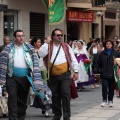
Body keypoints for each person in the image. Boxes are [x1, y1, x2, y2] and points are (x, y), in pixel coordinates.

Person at [0, 29, 45, 120]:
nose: (21, 38)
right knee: (12, 97)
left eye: (22, 36)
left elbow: (35, 63)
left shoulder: (29, 48)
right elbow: (3, 63)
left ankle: (21, 117)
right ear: (14, 38)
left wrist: (36, 78)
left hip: (25, 78)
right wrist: (2, 77)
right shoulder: (8, 49)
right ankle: (13, 117)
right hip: (11, 77)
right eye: (19, 36)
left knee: (22, 100)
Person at [39, 28, 79, 120]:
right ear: (53, 36)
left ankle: (66, 116)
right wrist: (47, 43)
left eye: (61, 35)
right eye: (57, 35)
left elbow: (73, 59)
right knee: (55, 96)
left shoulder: (66, 46)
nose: (60, 37)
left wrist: (76, 71)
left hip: (65, 74)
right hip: (52, 75)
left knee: (65, 94)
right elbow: (41, 54)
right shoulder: (48, 46)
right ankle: (57, 115)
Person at [94, 40, 120, 107]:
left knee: (111, 88)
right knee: (104, 86)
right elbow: (97, 63)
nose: (108, 45)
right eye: (107, 44)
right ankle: (104, 100)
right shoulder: (101, 53)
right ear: (105, 45)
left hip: (112, 73)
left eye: (110, 44)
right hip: (104, 72)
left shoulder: (116, 53)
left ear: (112, 45)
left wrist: (116, 63)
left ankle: (110, 100)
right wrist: (96, 71)